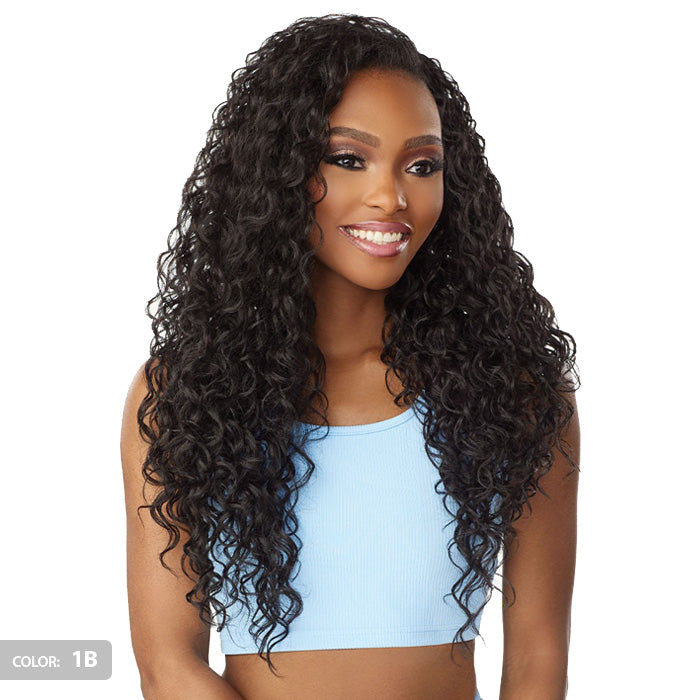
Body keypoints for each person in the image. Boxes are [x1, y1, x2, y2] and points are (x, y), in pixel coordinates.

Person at [120, 13, 580, 700]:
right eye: (348, 159)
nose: (391, 196)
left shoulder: (513, 391)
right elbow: (167, 665)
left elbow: (538, 660)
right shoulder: (187, 395)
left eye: (421, 165)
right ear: (278, 171)